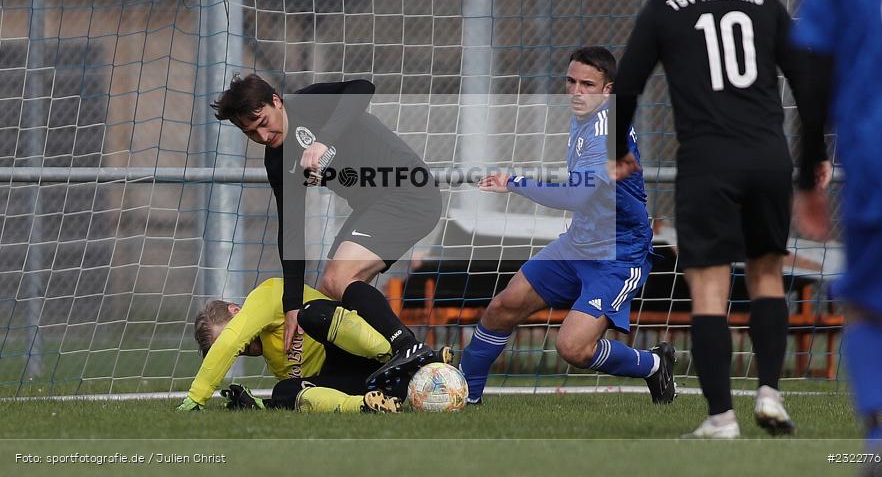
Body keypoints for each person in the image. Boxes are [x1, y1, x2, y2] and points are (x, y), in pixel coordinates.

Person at [610, 0, 830, 438]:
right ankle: (770, 392)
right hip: (767, 156)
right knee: (767, 276)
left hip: (708, 160)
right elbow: (808, 82)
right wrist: (813, 157)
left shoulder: (664, 9)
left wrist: (617, 150)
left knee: (709, 288)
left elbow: (629, 84)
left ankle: (721, 417)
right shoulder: (764, 3)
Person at [459, 46, 676, 406]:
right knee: (503, 307)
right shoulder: (586, 116)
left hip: (619, 255)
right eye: (571, 81)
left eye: (587, 84)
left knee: (573, 347)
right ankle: (464, 396)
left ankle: (653, 364)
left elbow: (577, 196)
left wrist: (514, 182)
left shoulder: (607, 135)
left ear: (607, 90)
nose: (576, 91)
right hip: (579, 243)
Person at [211, 76, 444, 388]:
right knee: (328, 295)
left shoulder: (306, 105)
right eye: (251, 133)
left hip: (408, 192)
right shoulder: (278, 160)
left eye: (263, 122)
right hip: (374, 206)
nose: (263, 136)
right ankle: (375, 379)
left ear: (276, 101)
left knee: (338, 278)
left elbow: (362, 88)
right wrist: (292, 305)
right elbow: (291, 231)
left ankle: (408, 348)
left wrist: (322, 141)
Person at [792, 0, 882, 469]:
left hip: (878, 155)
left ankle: (879, 434)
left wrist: (807, 171)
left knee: (868, 304)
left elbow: (813, 76)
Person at [175, 277, 441, 413]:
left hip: (361, 344)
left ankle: (404, 350)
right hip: (360, 381)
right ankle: (367, 405)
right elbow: (312, 391)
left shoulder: (266, 295)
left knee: (321, 307)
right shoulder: (274, 362)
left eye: (226, 340)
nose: (240, 349)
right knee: (284, 390)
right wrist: (260, 404)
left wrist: (197, 396)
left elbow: (232, 341)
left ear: (236, 311)